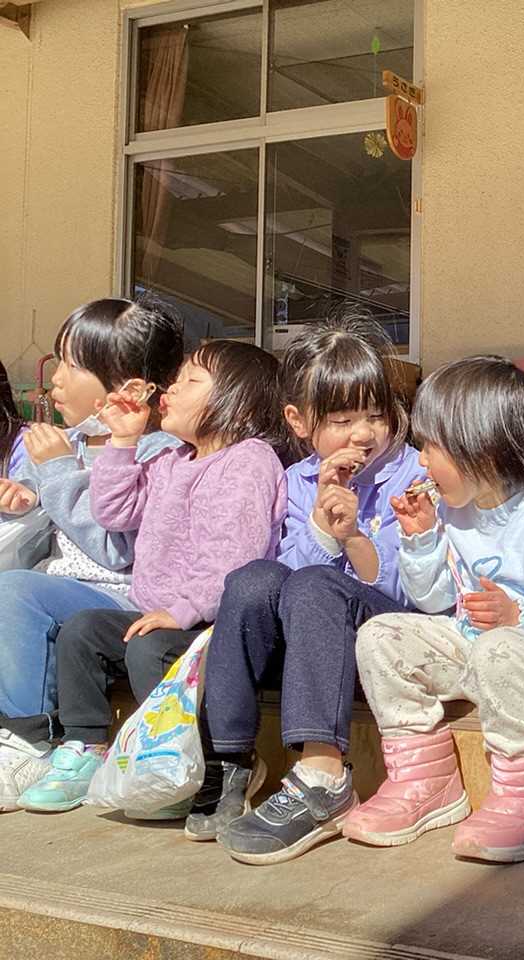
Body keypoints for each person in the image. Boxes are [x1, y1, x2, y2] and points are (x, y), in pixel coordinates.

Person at [345, 356, 524, 864]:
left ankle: (521, 792)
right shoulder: (455, 510)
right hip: (472, 650)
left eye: (431, 447)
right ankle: (424, 780)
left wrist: (521, 616)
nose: (421, 462)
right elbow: (432, 602)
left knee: (499, 647)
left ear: (484, 452)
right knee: (380, 634)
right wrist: (423, 538)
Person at [17, 340, 289, 815]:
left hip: (212, 624)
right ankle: (86, 747)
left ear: (235, 399)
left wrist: (183, 610)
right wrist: (122, 442)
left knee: (148, 646)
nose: (172, 389)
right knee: (82, 631)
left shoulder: (248, 459)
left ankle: (185, 763)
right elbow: (114, 511)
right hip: (157, 615)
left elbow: (236, 555)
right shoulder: (169, 460)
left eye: (190, 381)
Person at [202, 317, 420, 864]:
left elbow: (408, 586)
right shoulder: (296, 480)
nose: (363, 434)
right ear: (299, 421)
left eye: (376, 415)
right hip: (312, 635)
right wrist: (322, 528)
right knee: (252, 579)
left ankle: (323, 776)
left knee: (317, 583)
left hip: (386, 632)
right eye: (343, 419)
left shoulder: (412, 474)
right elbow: (281, 583)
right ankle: (228, 758)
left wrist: (351, 539)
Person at [0, 299, 184, 811]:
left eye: (72, 365)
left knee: (14, 593)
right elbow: (46, 535)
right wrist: (21, 506)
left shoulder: (157, 452)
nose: (54, 380)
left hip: (123, 595)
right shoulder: (68, 443)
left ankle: (28, 739)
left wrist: (58, 474)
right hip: (63, 590)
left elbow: (115, 547)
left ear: (127, 387)